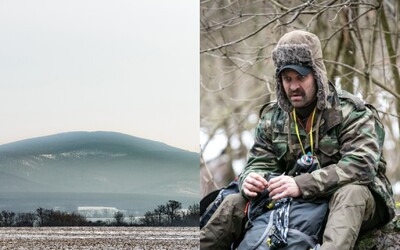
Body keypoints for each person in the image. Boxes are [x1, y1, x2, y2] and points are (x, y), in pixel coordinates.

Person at [200, 30, 395, 250]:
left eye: (301, 77)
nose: (293, 86)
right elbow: (260, 162)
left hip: (356, 200)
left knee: (350, 193)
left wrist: (301, 184)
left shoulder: (351, 112)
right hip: (301, 205)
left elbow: (361, 167)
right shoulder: (274, 117)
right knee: (235, 201)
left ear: (317, 75)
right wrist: (252, 179)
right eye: (287, 79)